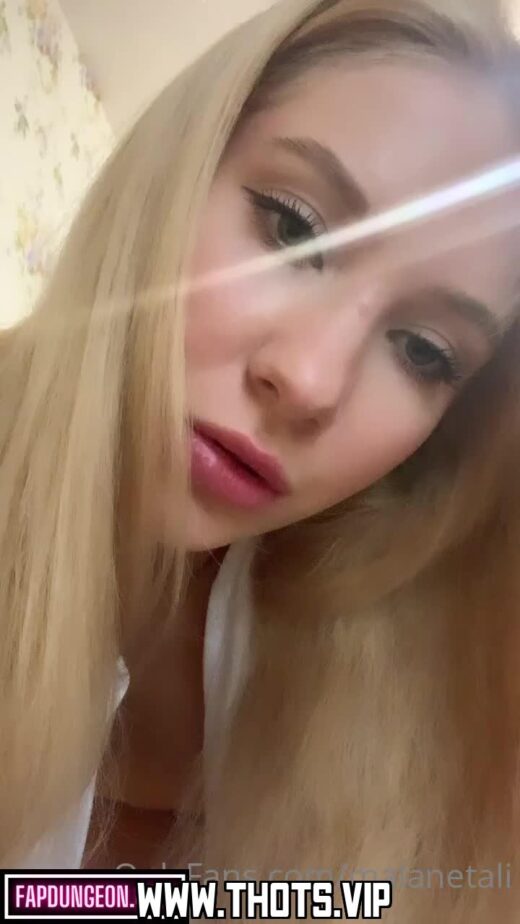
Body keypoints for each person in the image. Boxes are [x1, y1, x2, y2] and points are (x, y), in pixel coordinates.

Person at [1, 0, 520, 918]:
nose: (311, 381)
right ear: (180, 163)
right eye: (292, 228)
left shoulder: (408, 659)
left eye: (424, 351)